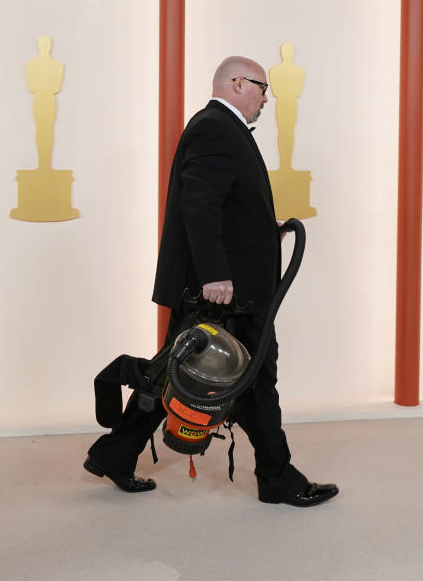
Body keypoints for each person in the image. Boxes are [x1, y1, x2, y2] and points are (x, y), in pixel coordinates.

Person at [84, 55, 338, 507]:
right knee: (252, 379)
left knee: (173, 374)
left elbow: (222, 205)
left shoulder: (219, 127)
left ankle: (114, 455)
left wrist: (264, 230)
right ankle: (277, 477)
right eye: (263, 87)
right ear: (238, 82)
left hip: (223, 289)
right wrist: (216, 273)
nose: (267, 98)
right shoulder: (216, 127)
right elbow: (199, 203)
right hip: (225, 293)